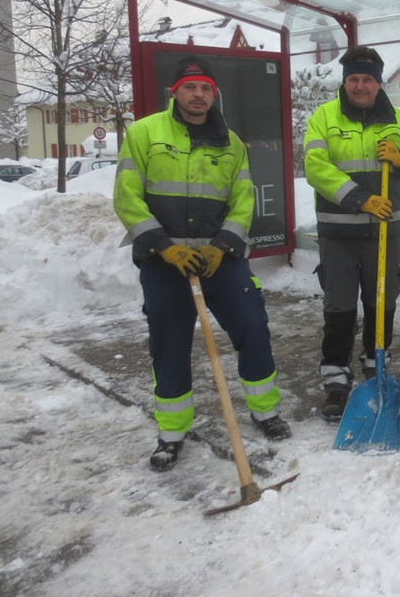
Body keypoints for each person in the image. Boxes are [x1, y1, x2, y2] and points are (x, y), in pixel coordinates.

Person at [113, 56, 290, 472]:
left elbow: (243, 201)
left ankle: (265, 411)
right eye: (190, 87)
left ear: (214, 94)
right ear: (174, 93)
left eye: (206, 88)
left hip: (218, 260)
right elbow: (127, 196)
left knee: (252, 324)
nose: (198, 95)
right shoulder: (144, 133)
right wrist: (162, 247)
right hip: (164, 262)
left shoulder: (229, 142)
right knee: (169, 341)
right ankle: (171, 433)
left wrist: (222, 246)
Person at [304, 45, 400, 420]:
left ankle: (377, 367)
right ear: (345, 82)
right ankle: (336, 383)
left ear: (379, 83)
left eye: (368, 79)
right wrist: (361, 200)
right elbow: (315, 167)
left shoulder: (397, 121)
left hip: (384, 234)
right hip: (339, 234)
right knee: (340, 308)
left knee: (382, 304)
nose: (360, 86)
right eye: (354, 79)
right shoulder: (324, 118)